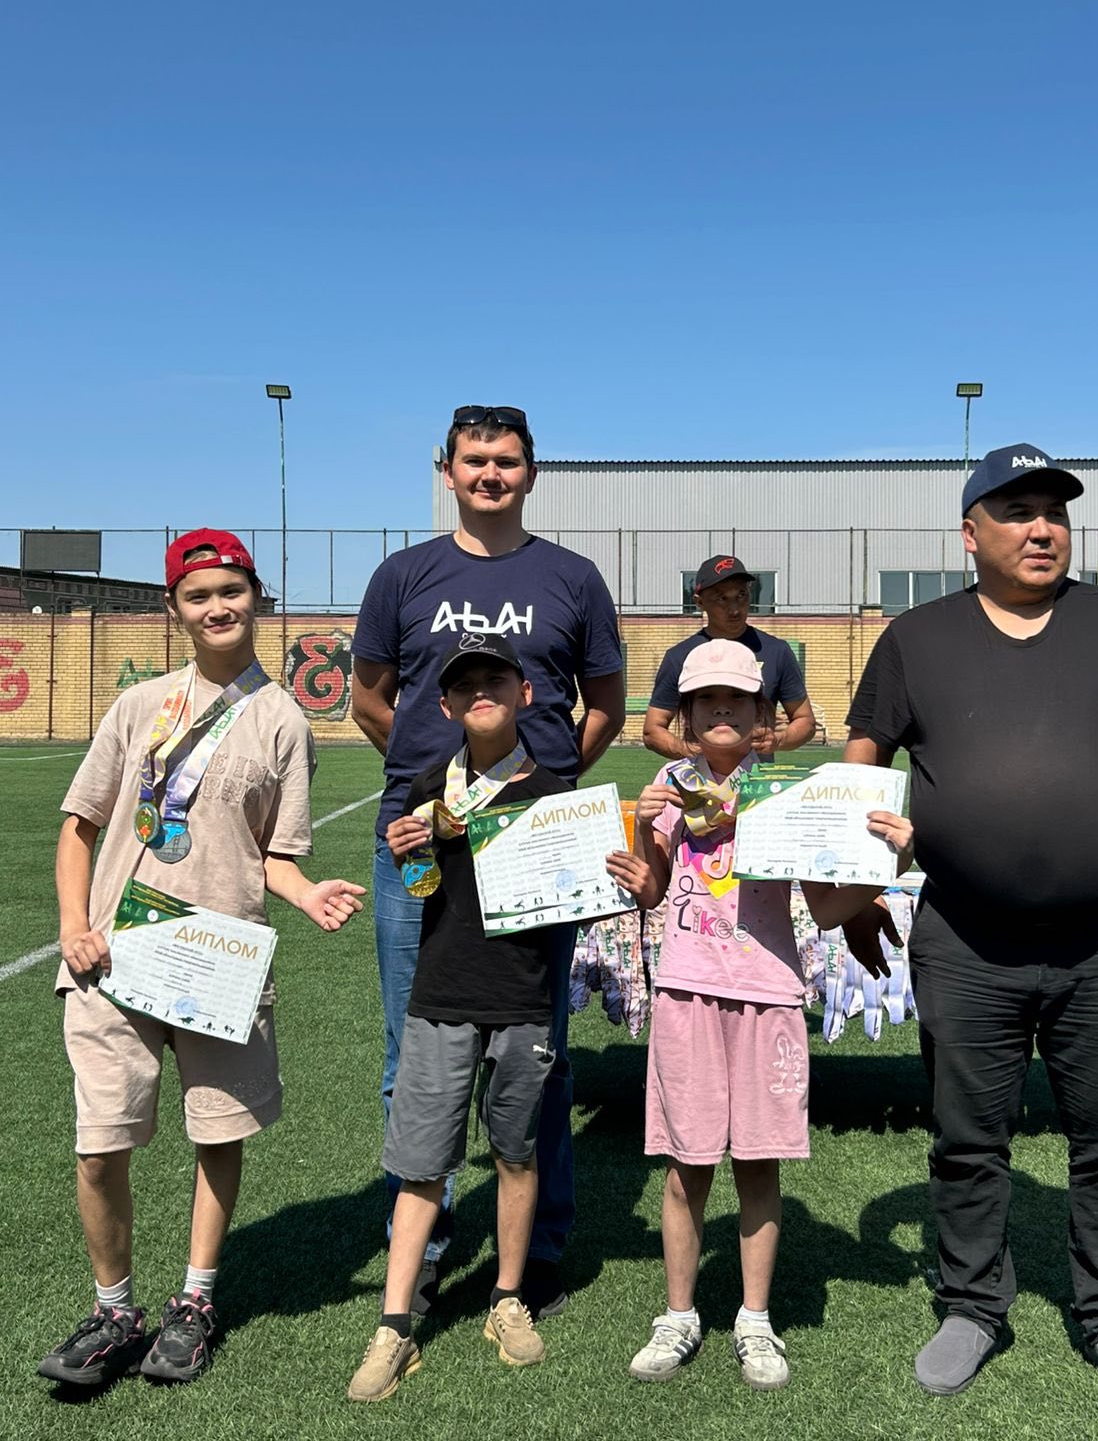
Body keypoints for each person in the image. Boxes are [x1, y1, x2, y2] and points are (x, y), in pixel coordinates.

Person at [843, 443, 1098, 1415]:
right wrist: (858, 888)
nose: (1042, 528)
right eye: (1017, 512)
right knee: (968, 1138)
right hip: (964, 938)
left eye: (1055, 512)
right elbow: (864, 756)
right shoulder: (916, 638)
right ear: (970, 534)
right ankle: (971, 1306)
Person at [39, 529, 364, 1389]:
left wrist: (306, 893)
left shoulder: (283, 719)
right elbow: (78, 826)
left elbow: (275, 855)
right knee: (101, 1143)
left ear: (255, 596)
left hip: (219, 963)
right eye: (199, 595)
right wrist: (74, 924)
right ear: (174, 609)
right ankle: (114, 1311)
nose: (218, 607)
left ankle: (195, 1301)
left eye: (231, 591)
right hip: (116, 957)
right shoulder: (137, 706)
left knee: (217, 1133)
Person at [351, 405, 625, 1316]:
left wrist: (541, 792)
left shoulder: (572, 577)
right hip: (417, 848)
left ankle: (536, 1249)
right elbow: (370, 701)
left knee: (538, 1054)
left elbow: (604, 707)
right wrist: (440, 792)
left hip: (535, 854)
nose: (490, 475)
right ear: (448, 471)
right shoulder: (403, 574)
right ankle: (423, 1247)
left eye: (506, 461)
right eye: (474, 460)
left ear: (531, 473)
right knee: (412, 1051)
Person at [347, 633, 648, 1398]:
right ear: (445, 705)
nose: (480, 690)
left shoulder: (555, 798)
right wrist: (406, 848)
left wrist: (622, 879)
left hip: (522, 1001)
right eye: (464, 684)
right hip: (441, 998)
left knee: (517, 1154)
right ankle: (394, 1324)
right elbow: (421, 889)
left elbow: (590, 901)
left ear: (526, 694)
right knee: (423, 1165)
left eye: (495, 678)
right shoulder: (427, 792)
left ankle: (507, 1299)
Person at [626, 639, 910, 1390]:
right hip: (686, 990)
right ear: (685, 717)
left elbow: (827, 907)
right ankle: (678, 1315)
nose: (720, 709)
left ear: (762, 714)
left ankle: (755, 1319)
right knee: (686, 1168)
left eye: (737, 699)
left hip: (768, 994)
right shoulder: (668, 785)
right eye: (704, 700)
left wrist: (896, 864)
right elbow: (652, 889)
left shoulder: (788, 793)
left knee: (757, 1163)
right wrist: (639, 844)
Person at [642, 554, 815, 761]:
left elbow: (805, 721)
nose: (734, 609)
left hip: (756, 778)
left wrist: (778, 740)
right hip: (698, 778)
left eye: (741, 595)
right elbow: (653, 730)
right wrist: (694, 754)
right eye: (721, 598)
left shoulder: (777, 651)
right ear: (699, 602)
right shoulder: (680, 656)